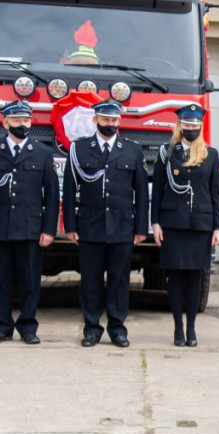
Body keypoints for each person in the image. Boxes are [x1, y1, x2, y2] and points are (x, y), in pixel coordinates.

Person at [63, 98, 148, 348]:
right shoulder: (79, 149)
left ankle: (117, 328)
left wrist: (141, 228)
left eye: (114, 120)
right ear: (95, 120)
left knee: (119, 280)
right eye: (105, 119)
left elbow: (141, 193)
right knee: (90, 279)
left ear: (119, 121)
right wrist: (70, 225)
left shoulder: (132, 150)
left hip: (122, 227)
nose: (110, 123)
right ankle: (91, 328)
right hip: (90, 226)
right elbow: (69, 191)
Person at [151, 104, 219, 347]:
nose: (190, 129)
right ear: (179, 125)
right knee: (174, 277)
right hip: (172, 224)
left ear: (200, 127)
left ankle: (192, 327)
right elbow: (158, 190)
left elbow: (216, 193)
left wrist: (218, 227)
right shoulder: (167, 152)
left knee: (195, 279)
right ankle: (177, 328)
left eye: (195, 126)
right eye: (187, 125)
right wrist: (156, 223)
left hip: (200, 226)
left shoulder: (211, 154)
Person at [0, 100, 59, 344]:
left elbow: (52, 195)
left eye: (26, 120)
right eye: (17, 121)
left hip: (30, 228)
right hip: (2, 227)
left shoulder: (42, 152)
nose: (23, 125)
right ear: (5, 123)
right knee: (2, 281)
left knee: (30, 280)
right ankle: (3, 326)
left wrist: (48, 229)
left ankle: (27, 326)